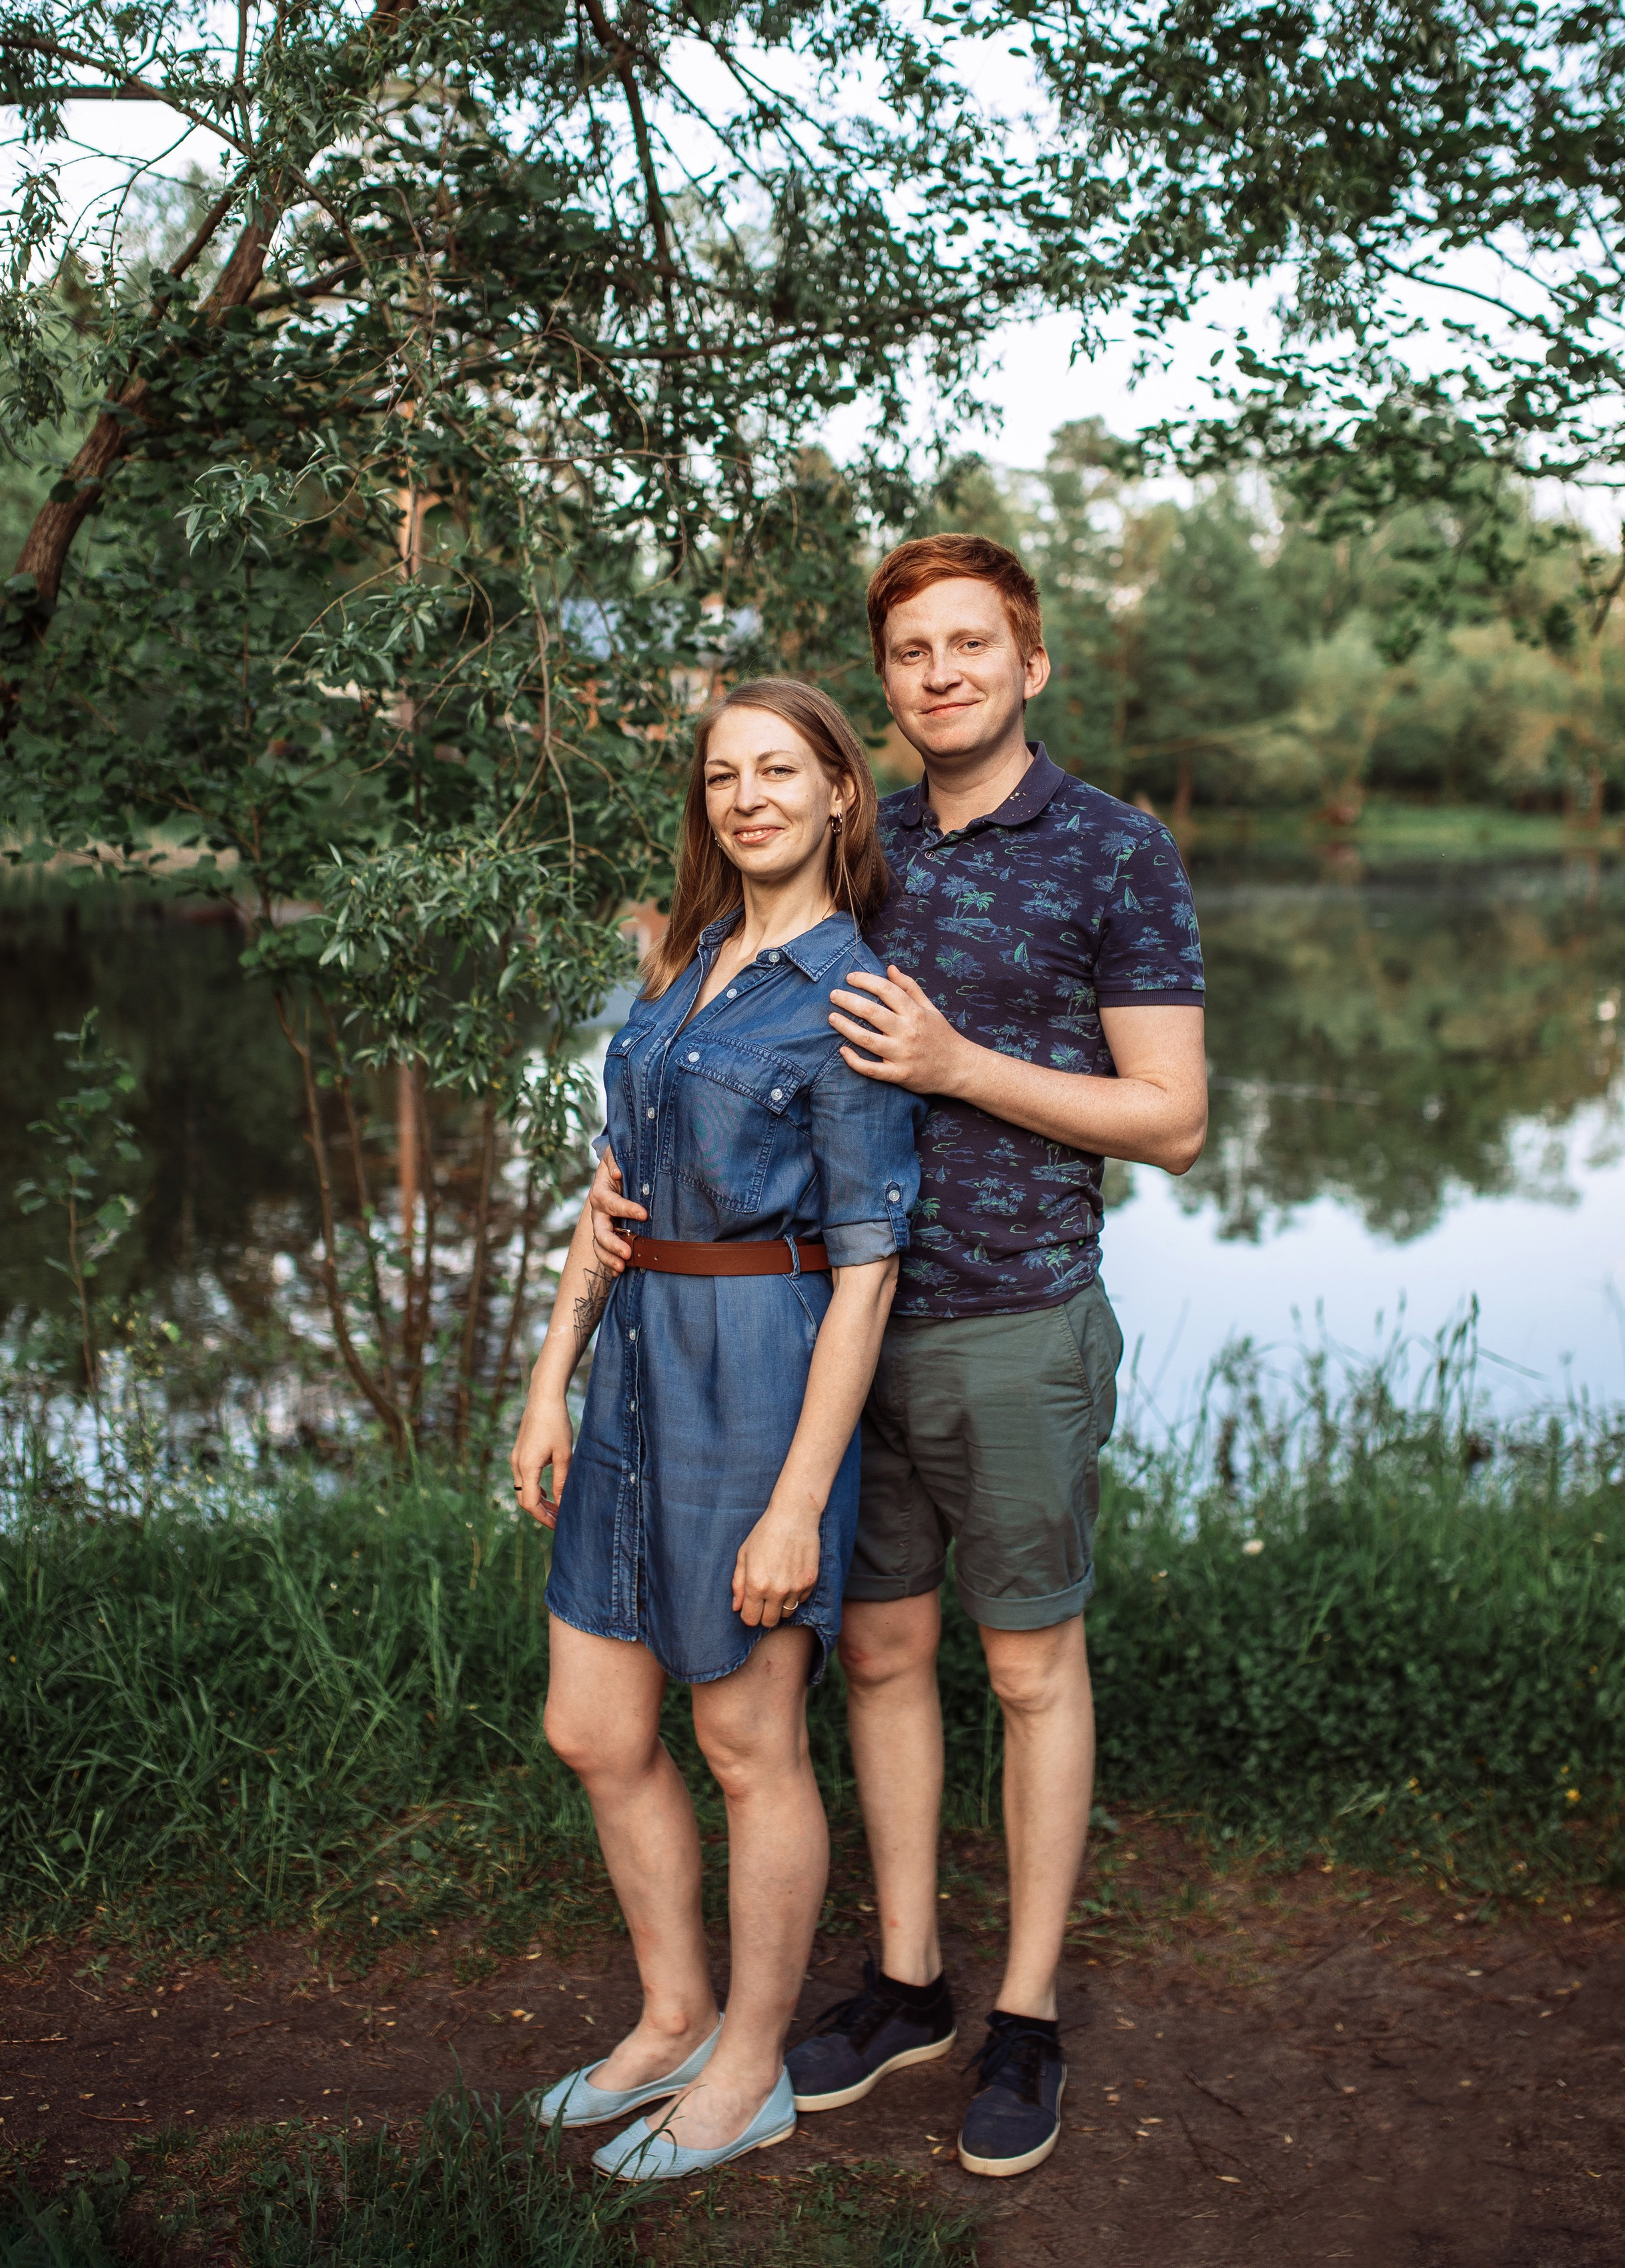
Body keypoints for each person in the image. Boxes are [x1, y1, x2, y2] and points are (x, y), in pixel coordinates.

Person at [590, 532, 1207, 2179]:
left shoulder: (1112, 850)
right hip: (822, 1340)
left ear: (1028, 663)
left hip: (1008, 1320)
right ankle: (909, 1984)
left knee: (1026, 1670)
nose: (941, 674)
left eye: (969, 644)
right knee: (873, 1657)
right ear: (885, 686)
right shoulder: (862, 847)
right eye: (912, 653)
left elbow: (1172, 1119)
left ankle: (1025, 2016)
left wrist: (957, 1062)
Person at [511, 677, 925, 2185]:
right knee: (592, 1726)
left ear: (838, 794)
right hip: (629, 1370)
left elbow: (869, 1270)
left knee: (747, 1743)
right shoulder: (682, 965)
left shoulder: (851, 995)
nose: (746, 797)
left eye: (778, 771)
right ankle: (674, 2015)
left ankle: (748, 2067)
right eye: (721, 775)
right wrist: (548, 1374)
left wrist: (797, 1501)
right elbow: (611, 1194)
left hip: (757, 1379)